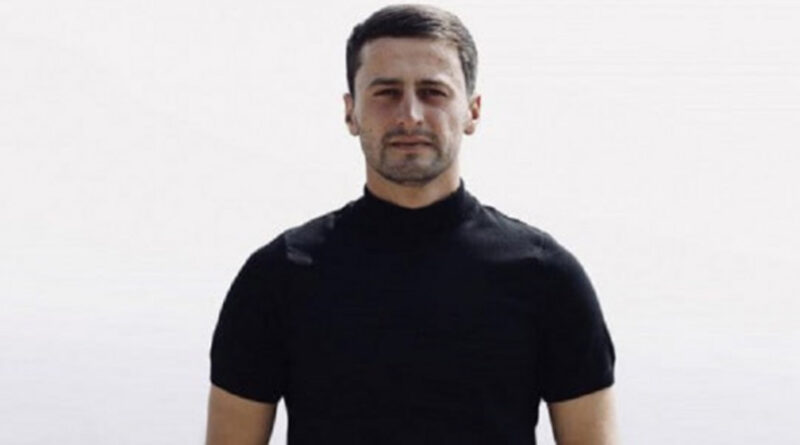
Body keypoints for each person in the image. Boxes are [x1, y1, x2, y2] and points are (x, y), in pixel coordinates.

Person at [205, 4, 617, 444]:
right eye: (386, 92)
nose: (410, 116)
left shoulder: (546, 276)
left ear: (473, 111)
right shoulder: (278, 277)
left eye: (433, 91)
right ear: (350, 112)